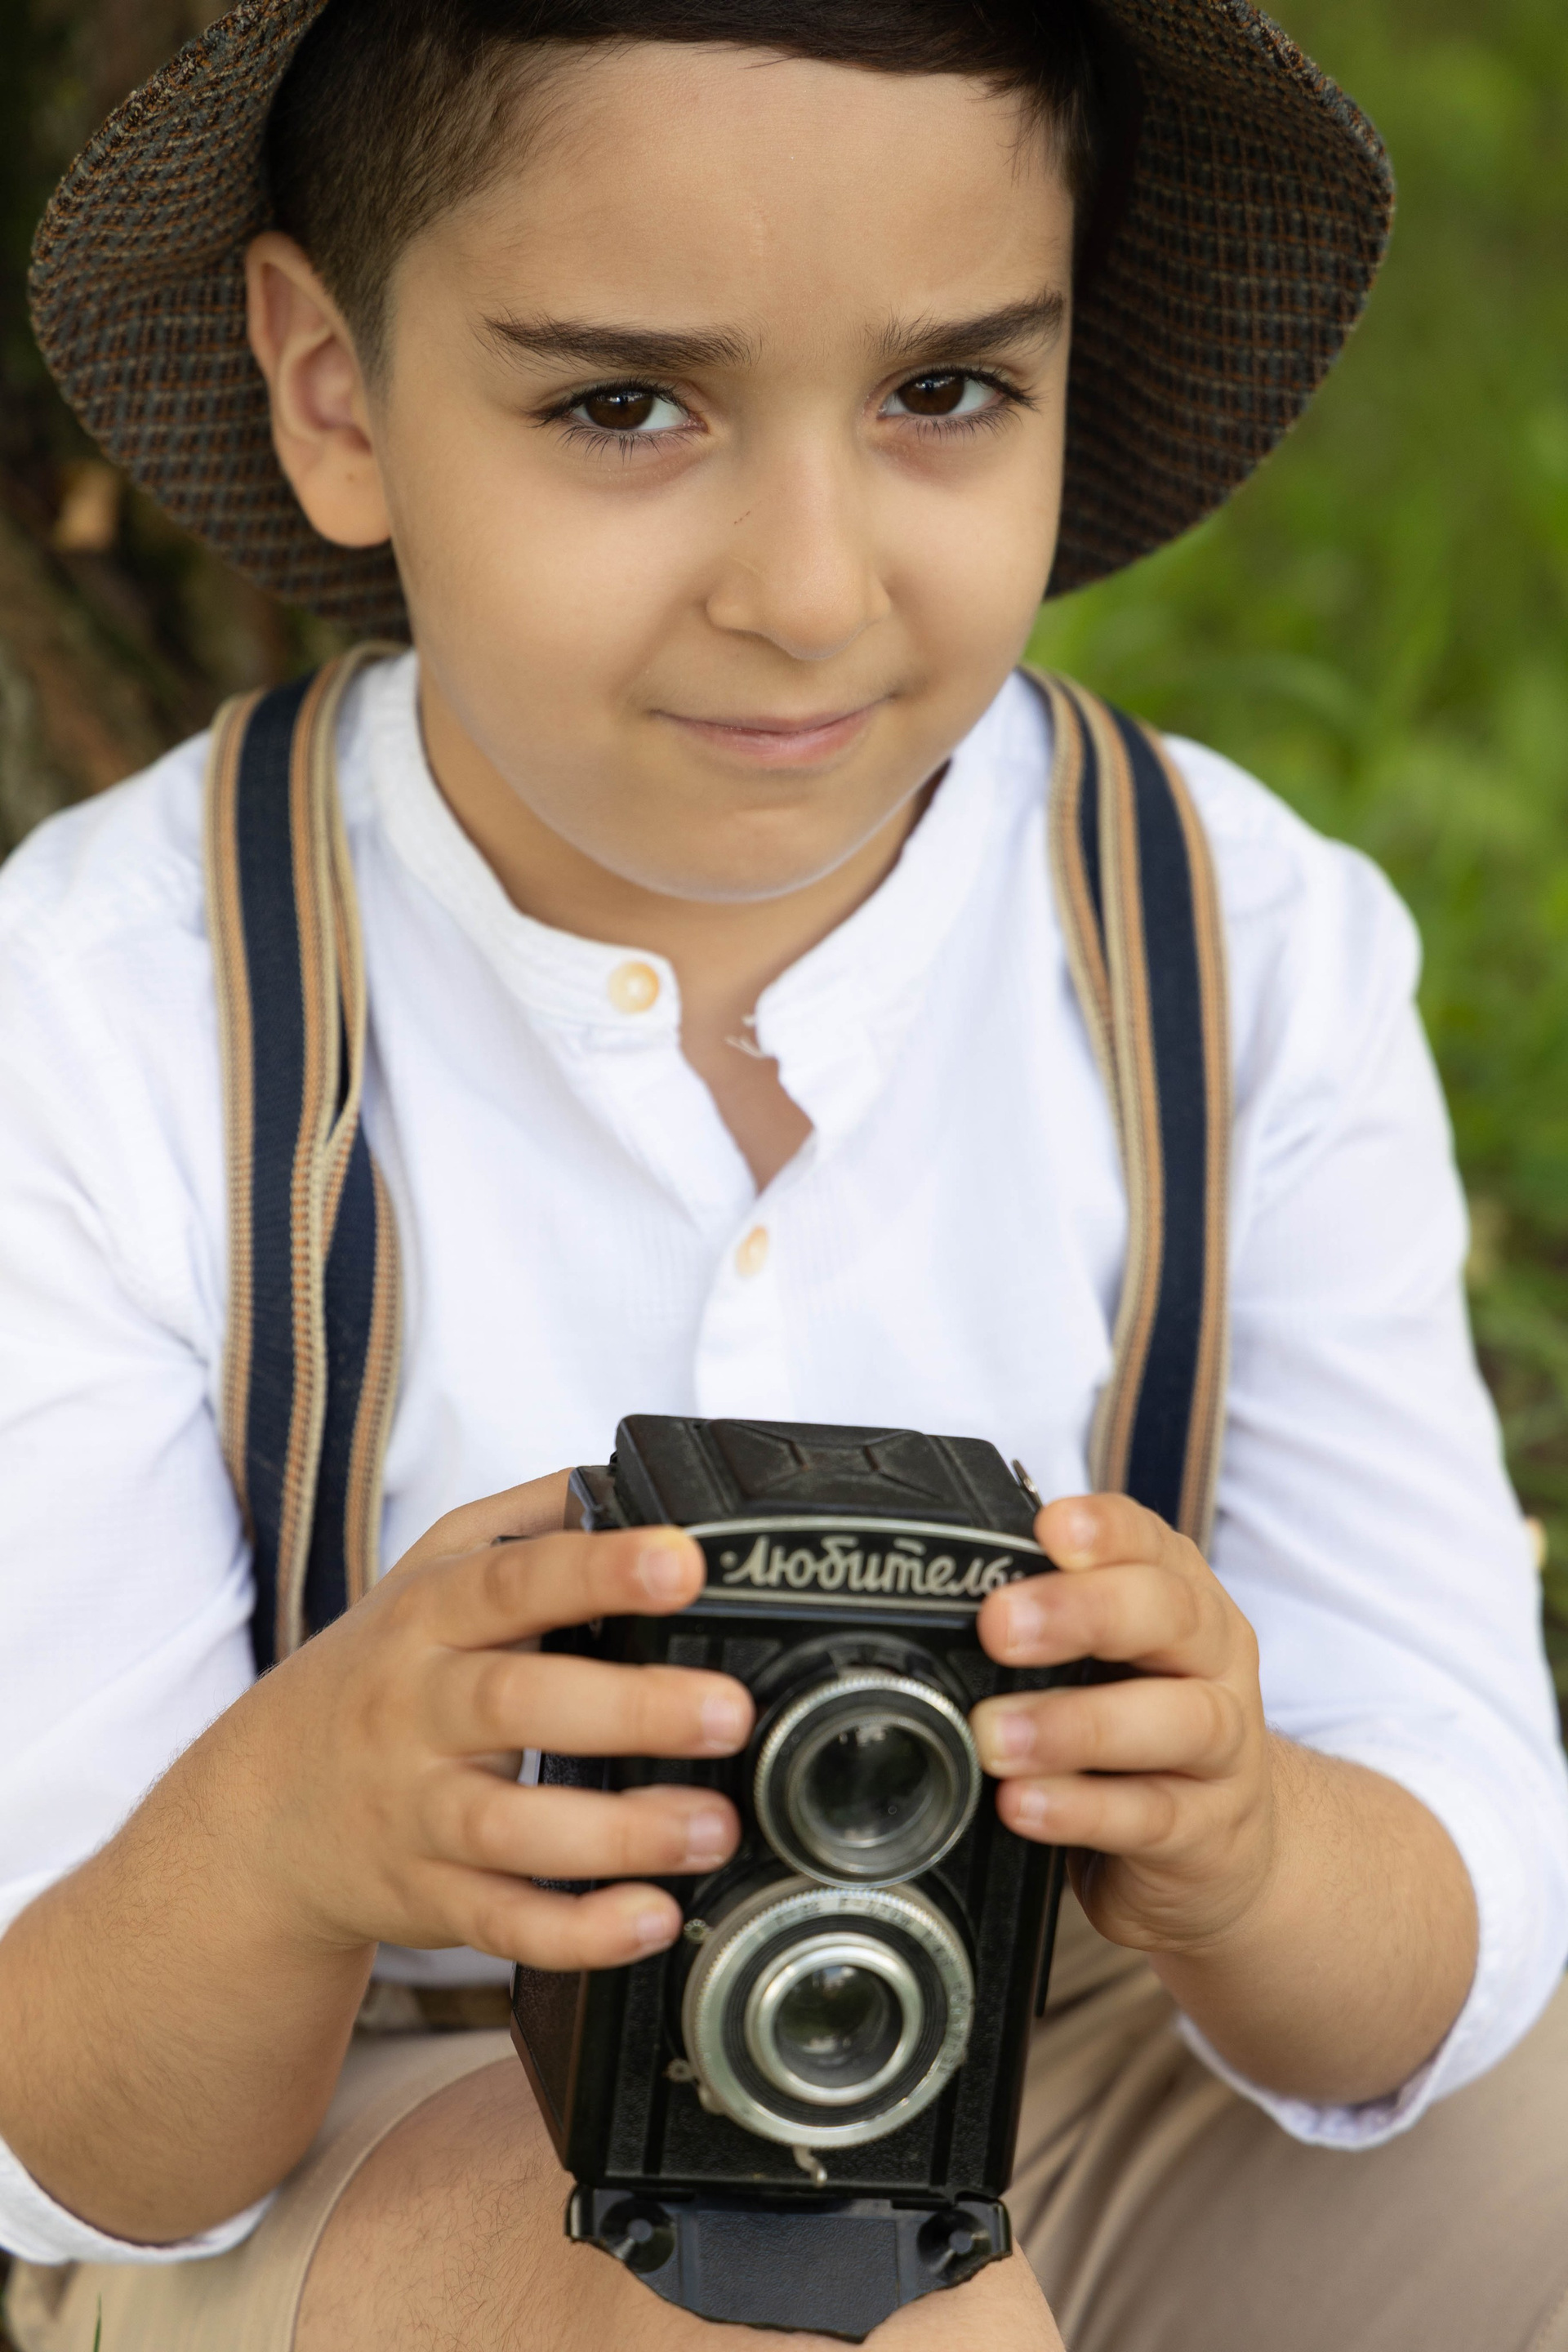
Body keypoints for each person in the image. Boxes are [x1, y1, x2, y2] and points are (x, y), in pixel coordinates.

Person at [2, 2, 1567, 2347]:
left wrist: (1245, 1833)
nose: (812, 588)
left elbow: (1439, 1946)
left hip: (1083, 2041)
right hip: (380, 2128)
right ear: (334, 393)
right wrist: (301, 1821)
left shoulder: (1230, 945)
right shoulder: (110, 1015)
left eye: (946, 388)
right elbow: (76, 2126)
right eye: (625, 407)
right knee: (806, 2303)